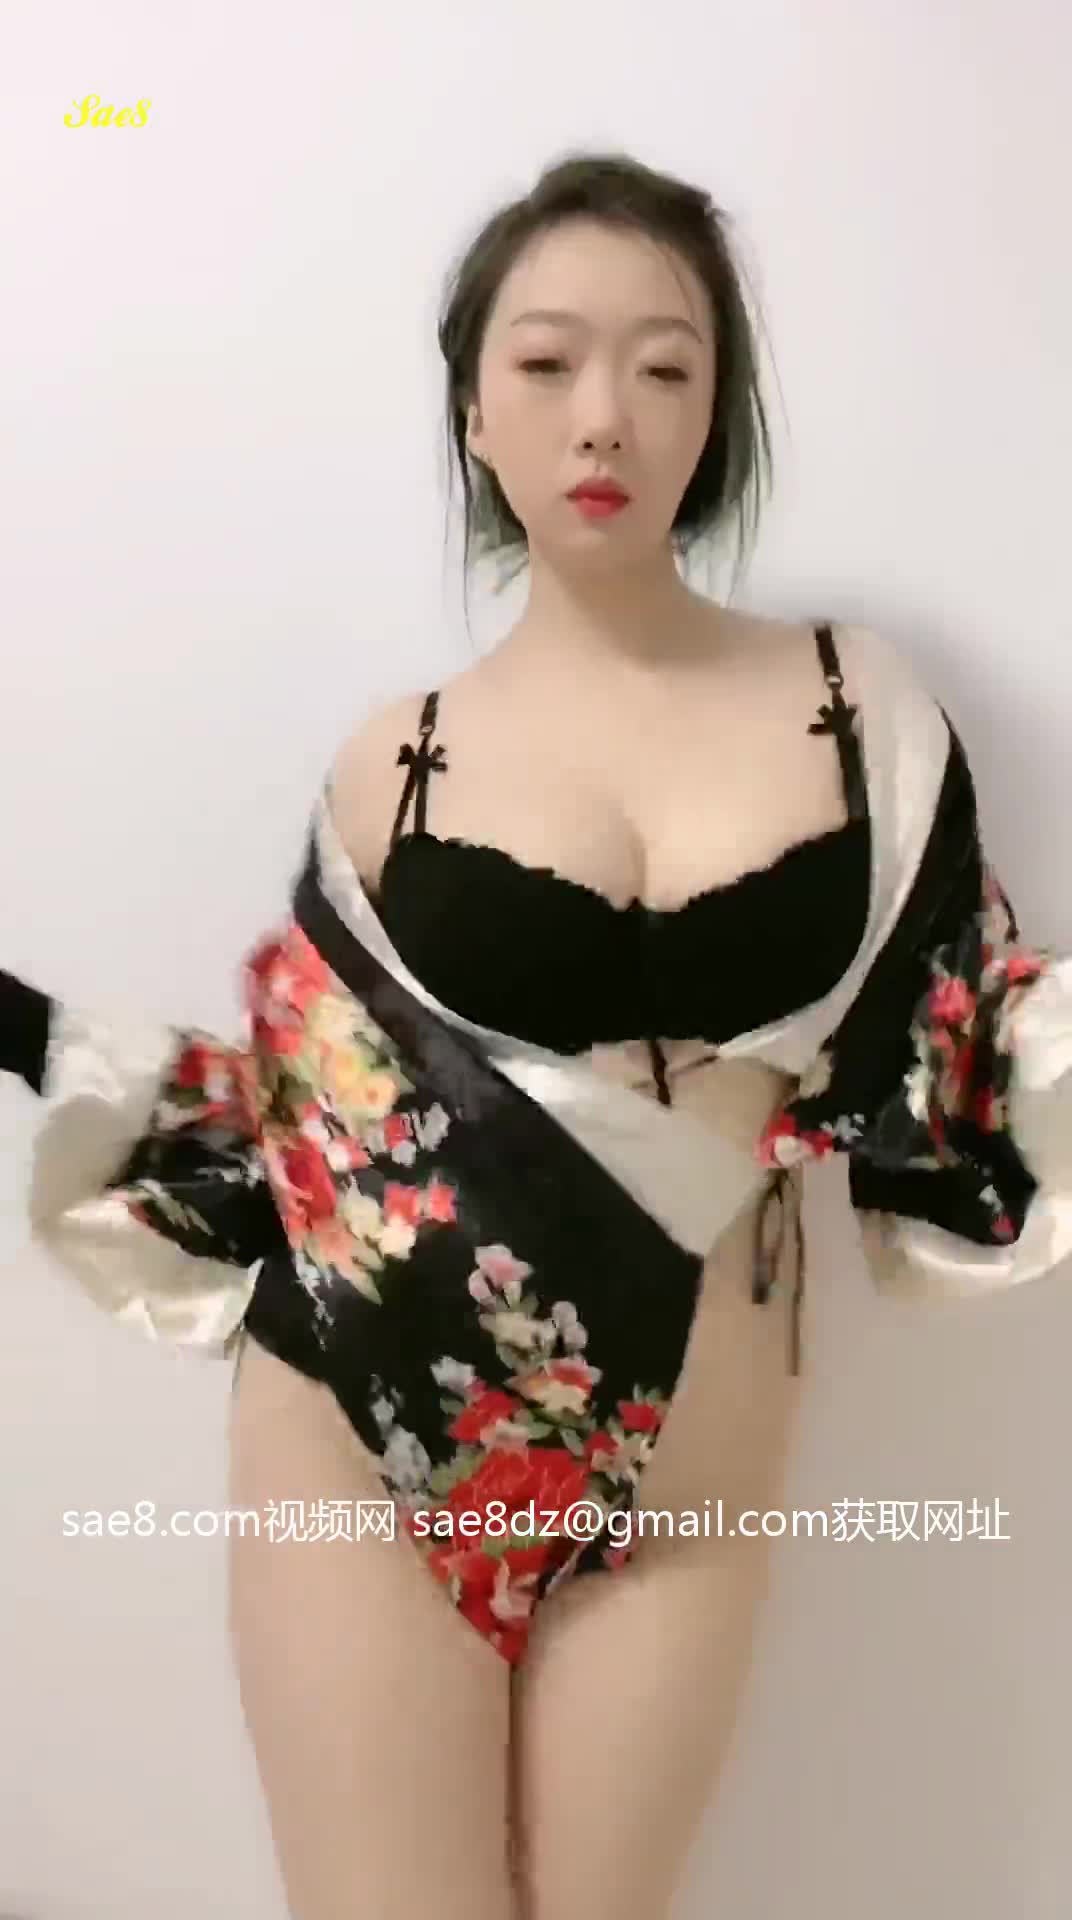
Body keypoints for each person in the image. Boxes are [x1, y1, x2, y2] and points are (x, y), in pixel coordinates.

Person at [3, 150, 1070, 1920]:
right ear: (474, 412)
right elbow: (300, 1120)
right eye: (550, 361)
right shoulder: (393, 761)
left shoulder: (859, 708)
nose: (605, 416)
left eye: (666, 366)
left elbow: (977, 1044)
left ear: (718, 413)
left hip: (695, 1448)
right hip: (365, 1418)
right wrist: (25, 1027)